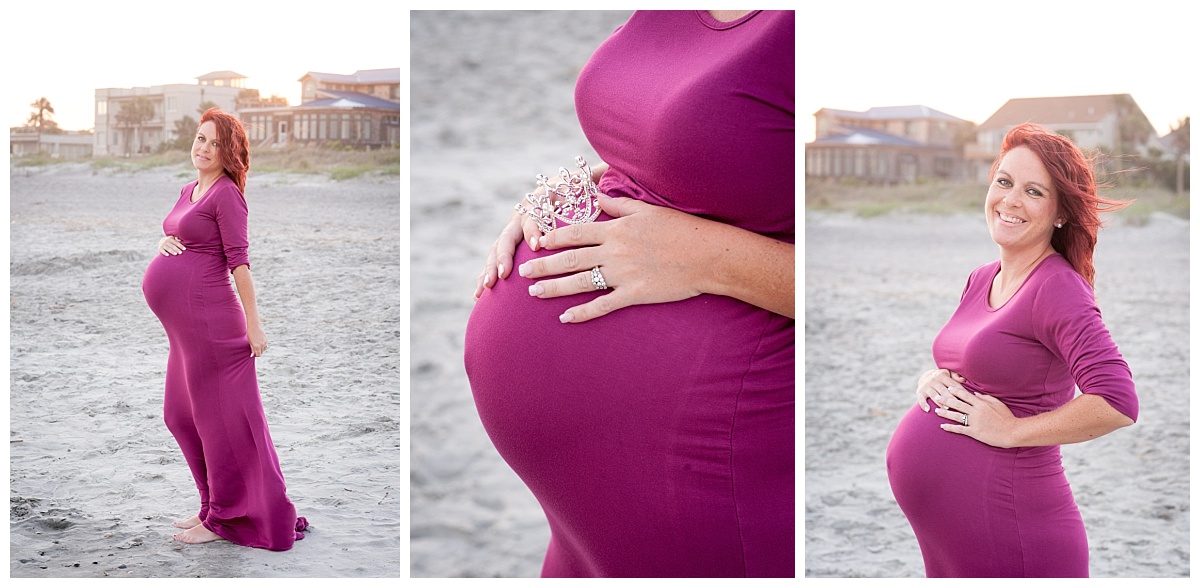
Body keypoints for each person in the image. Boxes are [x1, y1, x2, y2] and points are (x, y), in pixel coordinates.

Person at [465, 10, 794, 577]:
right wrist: (571, 190)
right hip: (582, 513)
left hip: (712, 474)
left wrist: (701, 257)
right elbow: (716, 142)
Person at [885, 123, 1139, 577]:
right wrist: (933, 378)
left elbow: (1117, 401)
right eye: (1004, 182)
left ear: (1060, 213)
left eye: (1033, 191)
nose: (1011, 200)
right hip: (954, 539)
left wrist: (1011, 431)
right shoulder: (982, 276)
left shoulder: (1059, 287)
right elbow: (984, 361)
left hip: (1014, 531)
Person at [142, 108, 307, 550]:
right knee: (179, 417)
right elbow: (180, 233)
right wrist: (161, 241)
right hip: (183, 331)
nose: (203, 148)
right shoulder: (189, 189)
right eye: (200, 139)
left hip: (210, 323)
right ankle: (209, 504)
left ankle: (221, 520)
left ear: (228, 152)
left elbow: (239, 262)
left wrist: (255, 326)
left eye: (214, 143)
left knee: (218, 425)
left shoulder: (227, 195)